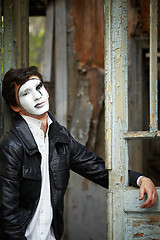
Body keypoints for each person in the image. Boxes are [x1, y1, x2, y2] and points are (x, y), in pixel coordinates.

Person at [0, 66, 158, 240]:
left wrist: (139, 179)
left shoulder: (60, 137)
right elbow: (7, 214)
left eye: (39, 87)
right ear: (15, 106)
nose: (38, 96)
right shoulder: (12, 146)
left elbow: (96, 168)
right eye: (26, 93)